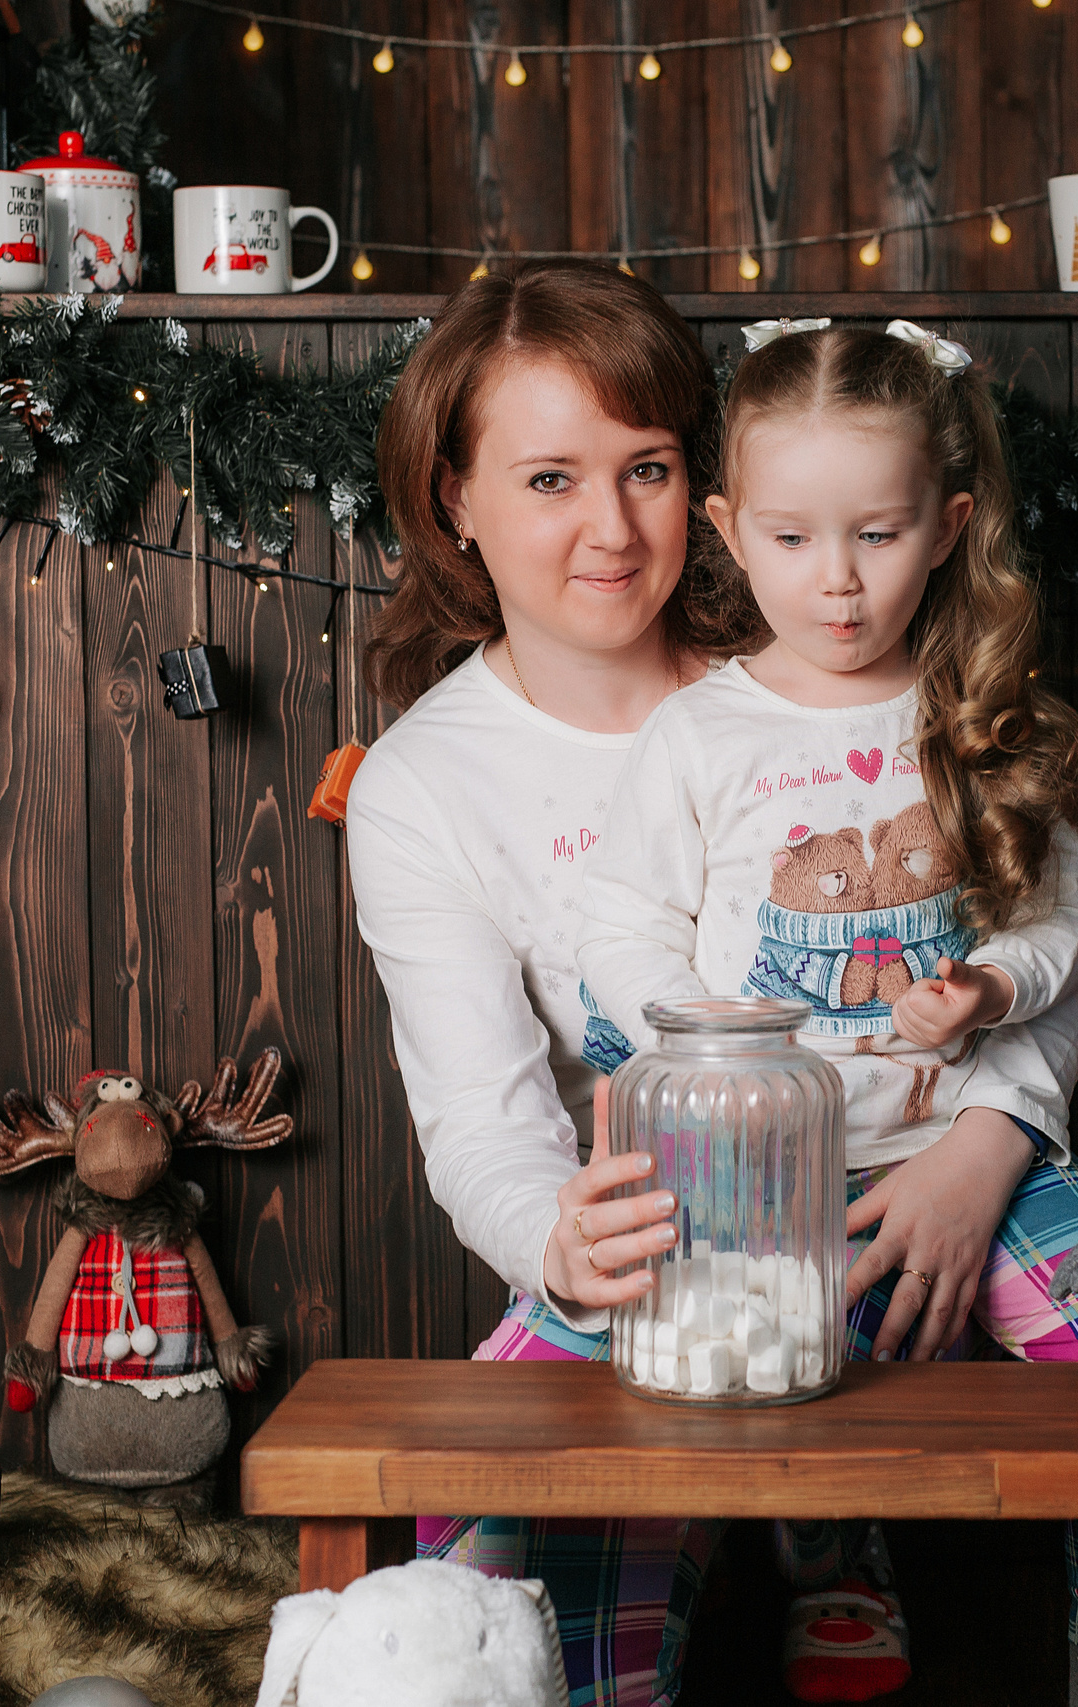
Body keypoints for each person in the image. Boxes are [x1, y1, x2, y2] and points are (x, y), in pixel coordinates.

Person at [574, 319, 1078, 1705]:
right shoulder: (703, 734)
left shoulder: (981, 715)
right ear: (727, 526)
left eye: (879, 535)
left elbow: (1075, 918)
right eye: (788, 539)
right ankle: (823, 1563)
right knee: (711, 1378)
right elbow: (617, 924)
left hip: (968, 1152)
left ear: (950, 526)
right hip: (757, 1168)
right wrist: (709, 1034)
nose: (835, 585)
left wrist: (994, 985)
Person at [344, 261, 766, 1707]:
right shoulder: (424, 787)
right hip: (645, 1249)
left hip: (893, 1200)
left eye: (646, 467)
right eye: (550, 478)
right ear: (453, 498)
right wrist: (558, 1246)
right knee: (481, 1629)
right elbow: (482, 1117)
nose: (612, 527)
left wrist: (984, 1154)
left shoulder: (805, 687)